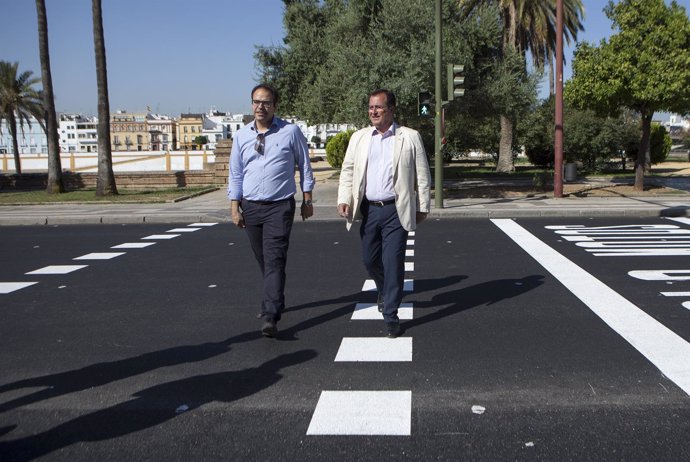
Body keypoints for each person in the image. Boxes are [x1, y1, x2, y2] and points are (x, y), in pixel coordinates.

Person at [337, 89, 431, 338]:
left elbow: (422, 175)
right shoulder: (359, 138)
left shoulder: (409, 137)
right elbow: (348, 171)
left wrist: (423, 207)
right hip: (368, 210)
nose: (373, 112)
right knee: (369, 259)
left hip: (395, 210)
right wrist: (344, 199)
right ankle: (384, 288)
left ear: (391, 109)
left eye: (378, 107)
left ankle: (390, 314)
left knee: (393, 262)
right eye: (370, 108)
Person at [228, 83, 315, 338]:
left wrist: (307, 200)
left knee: (275, 258)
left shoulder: (290, 132)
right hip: (251, 207)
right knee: (264, 260)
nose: (260, 107)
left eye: (266, 102)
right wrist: (235, 207)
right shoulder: (242, 136)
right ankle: (275, 297)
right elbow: (235, 174)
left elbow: (305, 166)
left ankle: (269, 314)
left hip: (280, 206)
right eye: (256, 102)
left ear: (274, 105)